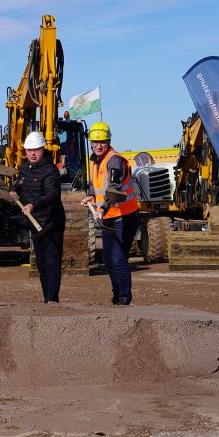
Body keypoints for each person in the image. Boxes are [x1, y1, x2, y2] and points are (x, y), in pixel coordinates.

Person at [80, 122, 139, 306]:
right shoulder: (93, 160)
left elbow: (114, 189)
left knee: (118, 257)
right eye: (95, 142)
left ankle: (124, 297)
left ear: (109, 141)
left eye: (103, 142)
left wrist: (102, 208)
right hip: (107, 216)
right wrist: (91, 196)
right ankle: (116, 294)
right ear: (90, 143)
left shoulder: (115, 160)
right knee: (107, 260)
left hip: (124, 215)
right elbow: (94, 184)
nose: (99, 146)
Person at [14, 132, 66, 303]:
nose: (32, 153)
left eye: (36, 150)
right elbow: (23, 187)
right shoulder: (24, 168)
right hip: (34, 224)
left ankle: (53, 300)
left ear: (43, 149)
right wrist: (15, 191)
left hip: (51, 223)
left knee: (52, 263)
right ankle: (47, 299)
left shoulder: (50, 170)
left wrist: (33, 205)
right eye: (29, 150)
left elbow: (52, 195)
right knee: (42, 265)